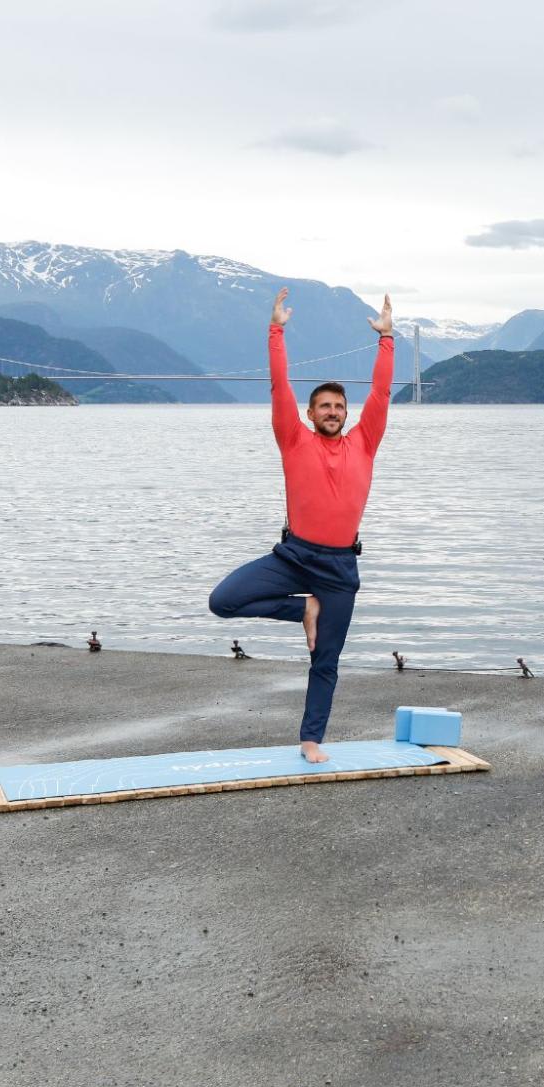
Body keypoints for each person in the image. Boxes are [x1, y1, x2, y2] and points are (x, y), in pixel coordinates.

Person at [208, 287, 395, 762]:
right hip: (293, 557)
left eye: (339, 406)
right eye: (323, 406)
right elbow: (278, 385)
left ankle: (311, 739)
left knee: (325, 662)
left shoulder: (365, 442)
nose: (332, 411)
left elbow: (382, 392)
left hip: (338, 568)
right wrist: (276, 330)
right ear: (309, 415)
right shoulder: (292, 438)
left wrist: (387, 339)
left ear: (346, 414)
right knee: (223, 601)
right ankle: (303, 610)